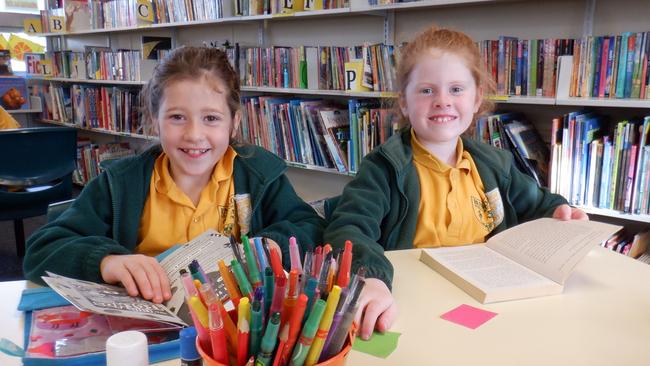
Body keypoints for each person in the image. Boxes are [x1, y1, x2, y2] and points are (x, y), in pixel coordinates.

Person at [323, 25, 587, 340]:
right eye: (426, 90)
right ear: (404, 103)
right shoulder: (383, 168)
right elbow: (348, 229)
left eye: (457, 89)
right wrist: (373, 279)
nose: (442, 101)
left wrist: (560, 212)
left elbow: (538, 203)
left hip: (489, 305)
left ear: (477, 99)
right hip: (411, 303)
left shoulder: (494, 164)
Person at [24, 46, 325, 304]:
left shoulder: (257, 174)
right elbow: (42, 250)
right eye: (177, 117)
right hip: (149, 327)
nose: (194, 135)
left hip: (236, 327)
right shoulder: (121, 184)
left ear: (234, 123)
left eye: (211, 118)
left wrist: (273, 245)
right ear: (155, 122)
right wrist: (107, 262)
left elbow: (309, 226)